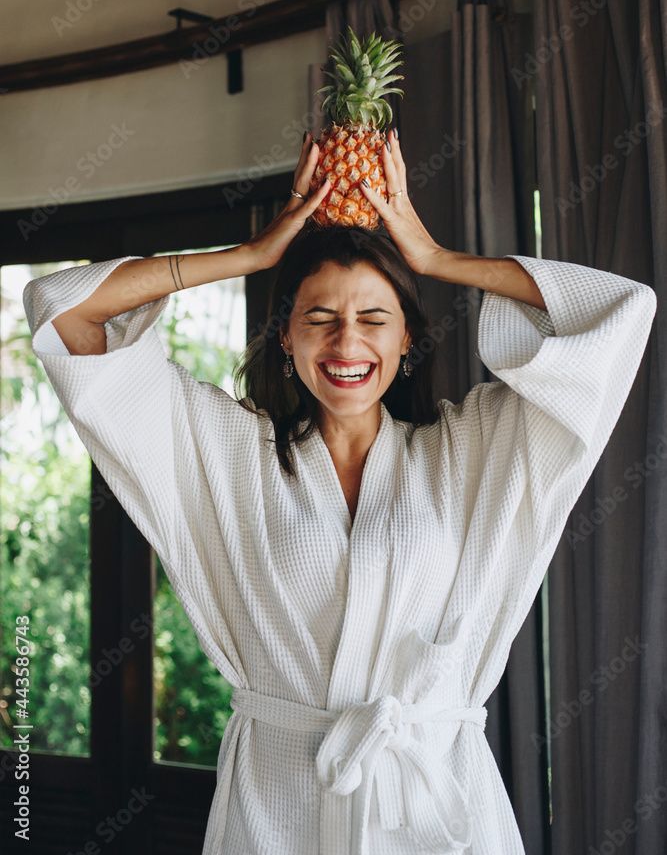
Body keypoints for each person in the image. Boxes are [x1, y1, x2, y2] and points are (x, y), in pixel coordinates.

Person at [23, 129, 656, 855]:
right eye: (318, 320)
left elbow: (618, 311)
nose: (345, 342)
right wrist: (249, 256)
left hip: (432, 800)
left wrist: (435, 258)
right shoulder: (230, 454)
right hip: (280, 802)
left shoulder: (473, 451)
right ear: (285, 339)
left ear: (406, 341)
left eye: (372, 319)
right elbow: (63, 310)